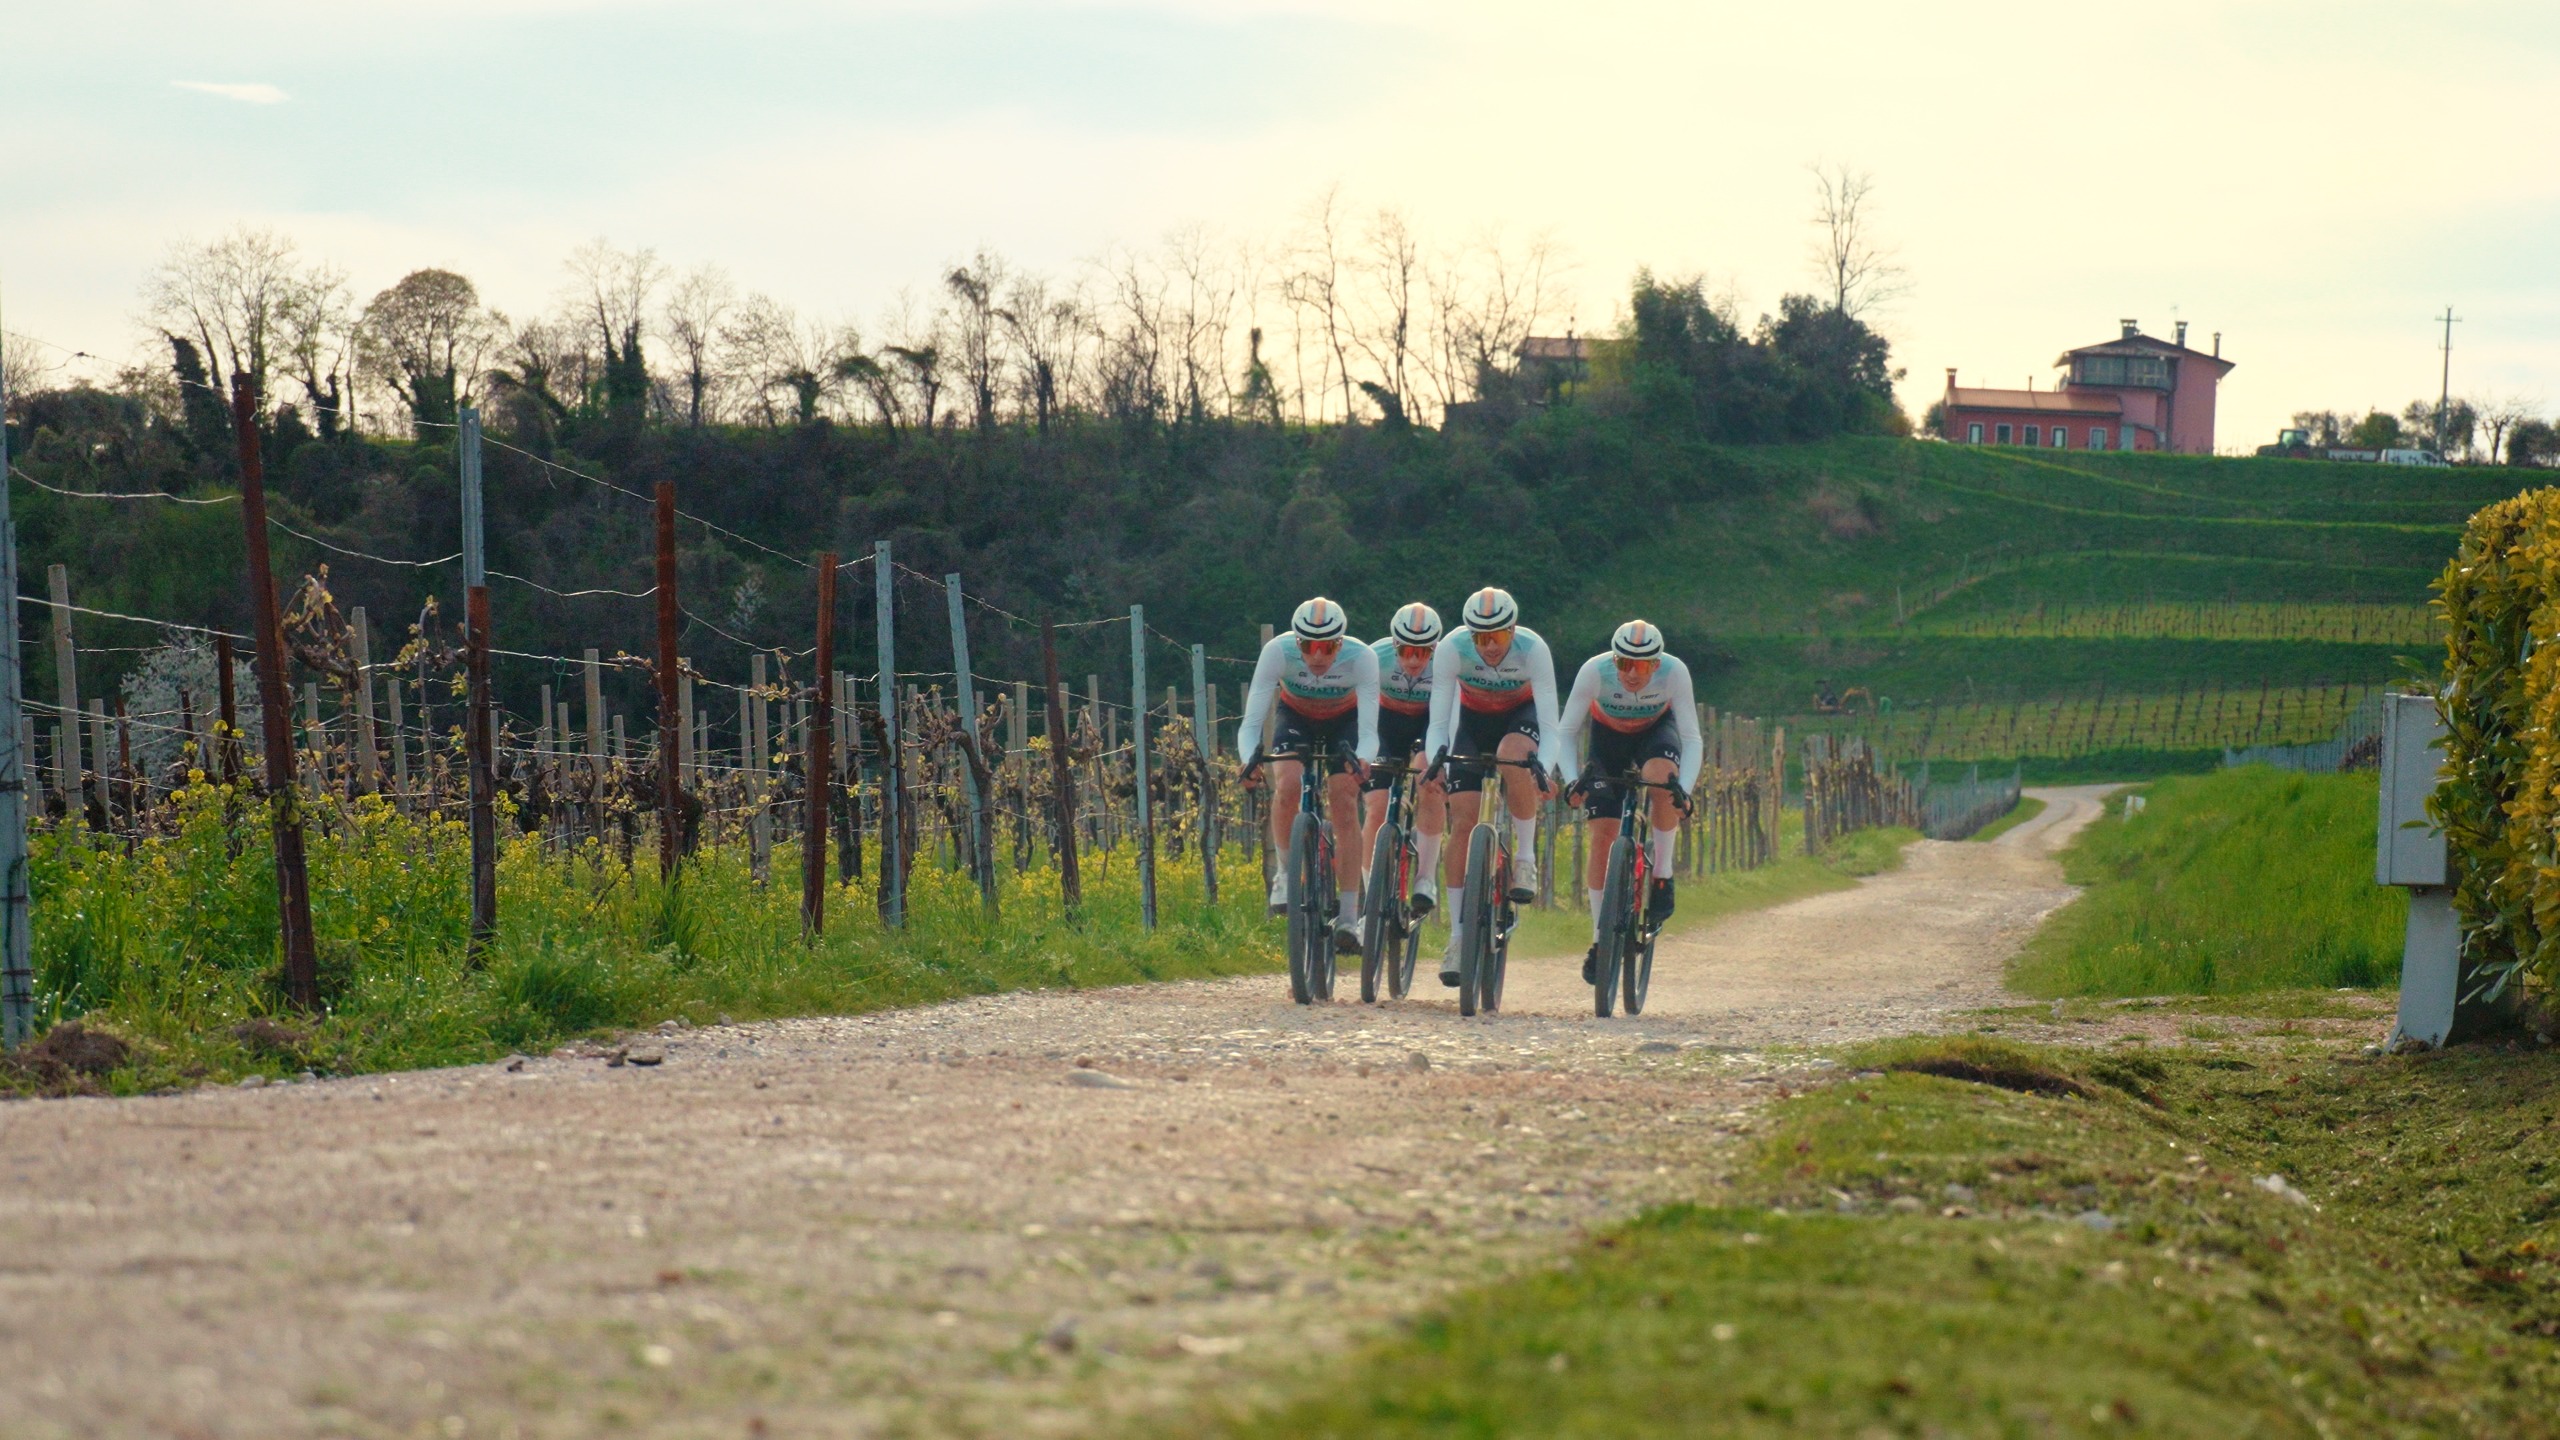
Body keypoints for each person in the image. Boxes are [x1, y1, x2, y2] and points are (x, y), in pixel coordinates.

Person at [1423, 586, 1561, 986]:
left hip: (1522, 716)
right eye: (1481, 638)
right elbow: (1438, 720)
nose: (1489, 647)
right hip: (1472, 723)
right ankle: (1458, 936)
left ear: (1513, 630)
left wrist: (1544, 769)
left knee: (1511, 755)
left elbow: (1550, 724)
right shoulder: (1452, 648)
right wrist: (1438, 761)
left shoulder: (1533, 650)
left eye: (1498, 637)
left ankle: (1524, 860)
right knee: (1462, 825)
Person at [1556, 619, 1702, 983]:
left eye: (1641, 665)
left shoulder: (1674, 672)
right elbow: (1566, 732)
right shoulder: (1595, 671)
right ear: (1614, 659)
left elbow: (1692, 737)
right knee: (1602, 836)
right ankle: (1599, 939)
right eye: (1624, 663)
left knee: (1662, 779)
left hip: (1656, 733)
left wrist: (1684, 788)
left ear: (1656, 663)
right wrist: (1573, 780)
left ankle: (1663, 874)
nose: (1631, 673)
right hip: (1608, 741)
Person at [1236, 597, 1380, 952]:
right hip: (1296, 716)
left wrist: (1364, 758)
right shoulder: (1277, 651)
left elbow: (1370, 731)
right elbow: (1252, 721)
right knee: (1286, 785)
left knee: (1345, 802)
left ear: (1340, 643)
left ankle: (1349, 916)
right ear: (1296, 642)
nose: (1317, 656)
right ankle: (1286, 874)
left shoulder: (1362, 658)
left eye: (1327, 647)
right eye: (1308, 646)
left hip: (1344, 723)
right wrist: (1248, 760)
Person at [1361, 602, 1448, 914]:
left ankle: (1425, 877)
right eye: (1406, 651)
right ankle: (1371, 900)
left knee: (1429, 781)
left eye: (1423, 652)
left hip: (1430, 724)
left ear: (1436, 649)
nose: (1413, 660)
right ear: (1394, 645)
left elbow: (1450, 719)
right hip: (1386, 726)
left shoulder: (1447, 662)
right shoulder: (1374, 658)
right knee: (1377, 806)